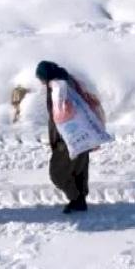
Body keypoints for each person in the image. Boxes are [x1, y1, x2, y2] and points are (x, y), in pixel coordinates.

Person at [36, 60, 94, 214]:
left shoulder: (59, 89)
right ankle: (80, 201)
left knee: (58, 174)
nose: (40, 82)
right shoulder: (69, 82)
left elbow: (63, 116)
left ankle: (76, 198)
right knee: (79, 169)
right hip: (84, 134)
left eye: (41, 78)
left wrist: (61, 139)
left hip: (69, 138)